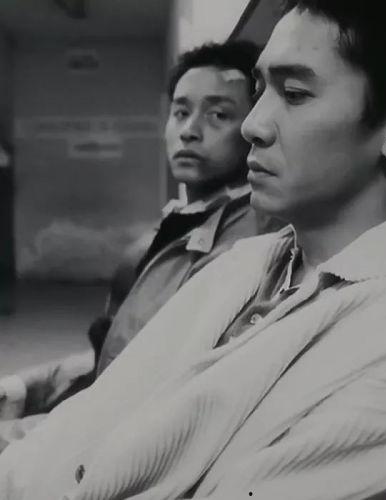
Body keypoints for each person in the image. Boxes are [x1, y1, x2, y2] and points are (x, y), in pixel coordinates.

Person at [1, 1, 386, 499]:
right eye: (260, 92)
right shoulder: (245, 263)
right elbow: (93, 419)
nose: (252, 126)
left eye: (295, 94)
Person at [0, 40, 279, 445]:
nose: (189, 130)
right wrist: (24, 388)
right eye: (180, 112)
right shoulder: (175, 227)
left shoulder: (246, 248)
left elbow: (153, 409)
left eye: (218, 115)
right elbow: (116, 363)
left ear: (254, 128)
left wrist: (17, 437)